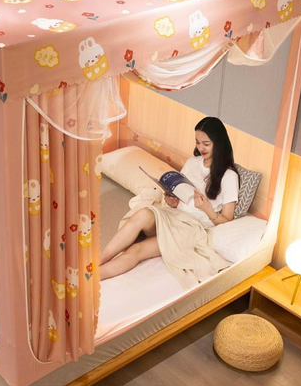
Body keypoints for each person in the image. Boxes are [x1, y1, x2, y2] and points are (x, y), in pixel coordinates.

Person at [99, 116, 239, 281]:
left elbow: (227, 220)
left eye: (206, 144)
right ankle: (97, 261)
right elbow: (181, 191)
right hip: (173, 215)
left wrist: (207, 209)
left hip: (190, 227)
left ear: (219, 143)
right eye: (197, 142)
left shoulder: (229, 176)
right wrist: (172, 200)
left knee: (136, 250)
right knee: (143, 214)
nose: (200, 148)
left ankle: (90, 279)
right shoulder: (192, 162)